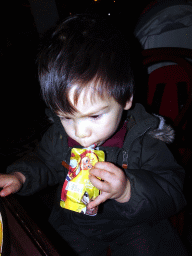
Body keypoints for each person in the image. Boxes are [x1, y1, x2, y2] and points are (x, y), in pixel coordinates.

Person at [0, 14, 188, 255]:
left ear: (126, 98)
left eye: (95, 116)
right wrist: (21, 176)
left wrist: (128, 190)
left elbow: (173, 191)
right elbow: (44, 162)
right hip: (76, 222)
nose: (80, 133)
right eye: (67, 117)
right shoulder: (60, 135)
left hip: (134, 223)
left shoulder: (144, 139)